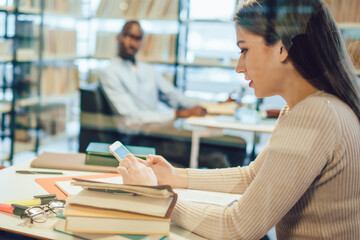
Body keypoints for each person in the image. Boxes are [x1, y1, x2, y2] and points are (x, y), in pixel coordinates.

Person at [115, 0, 360, 239]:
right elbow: (253, 177)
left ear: (283, 47)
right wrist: (176, 177)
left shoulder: (315, 115)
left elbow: (237, 229)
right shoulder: (315, 107)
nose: (239, 67)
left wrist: (155, 196)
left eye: (244, 50)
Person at [99, 20, 207, 134]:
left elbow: (176, 98)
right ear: (118, 37)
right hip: (138, 136)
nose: (133, 44)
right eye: (129, 36)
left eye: (138, 39)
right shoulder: (110, 73)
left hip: (159, 130)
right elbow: (131, 119)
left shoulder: (147, 69)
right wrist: (178, 114)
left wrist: (214, 105)